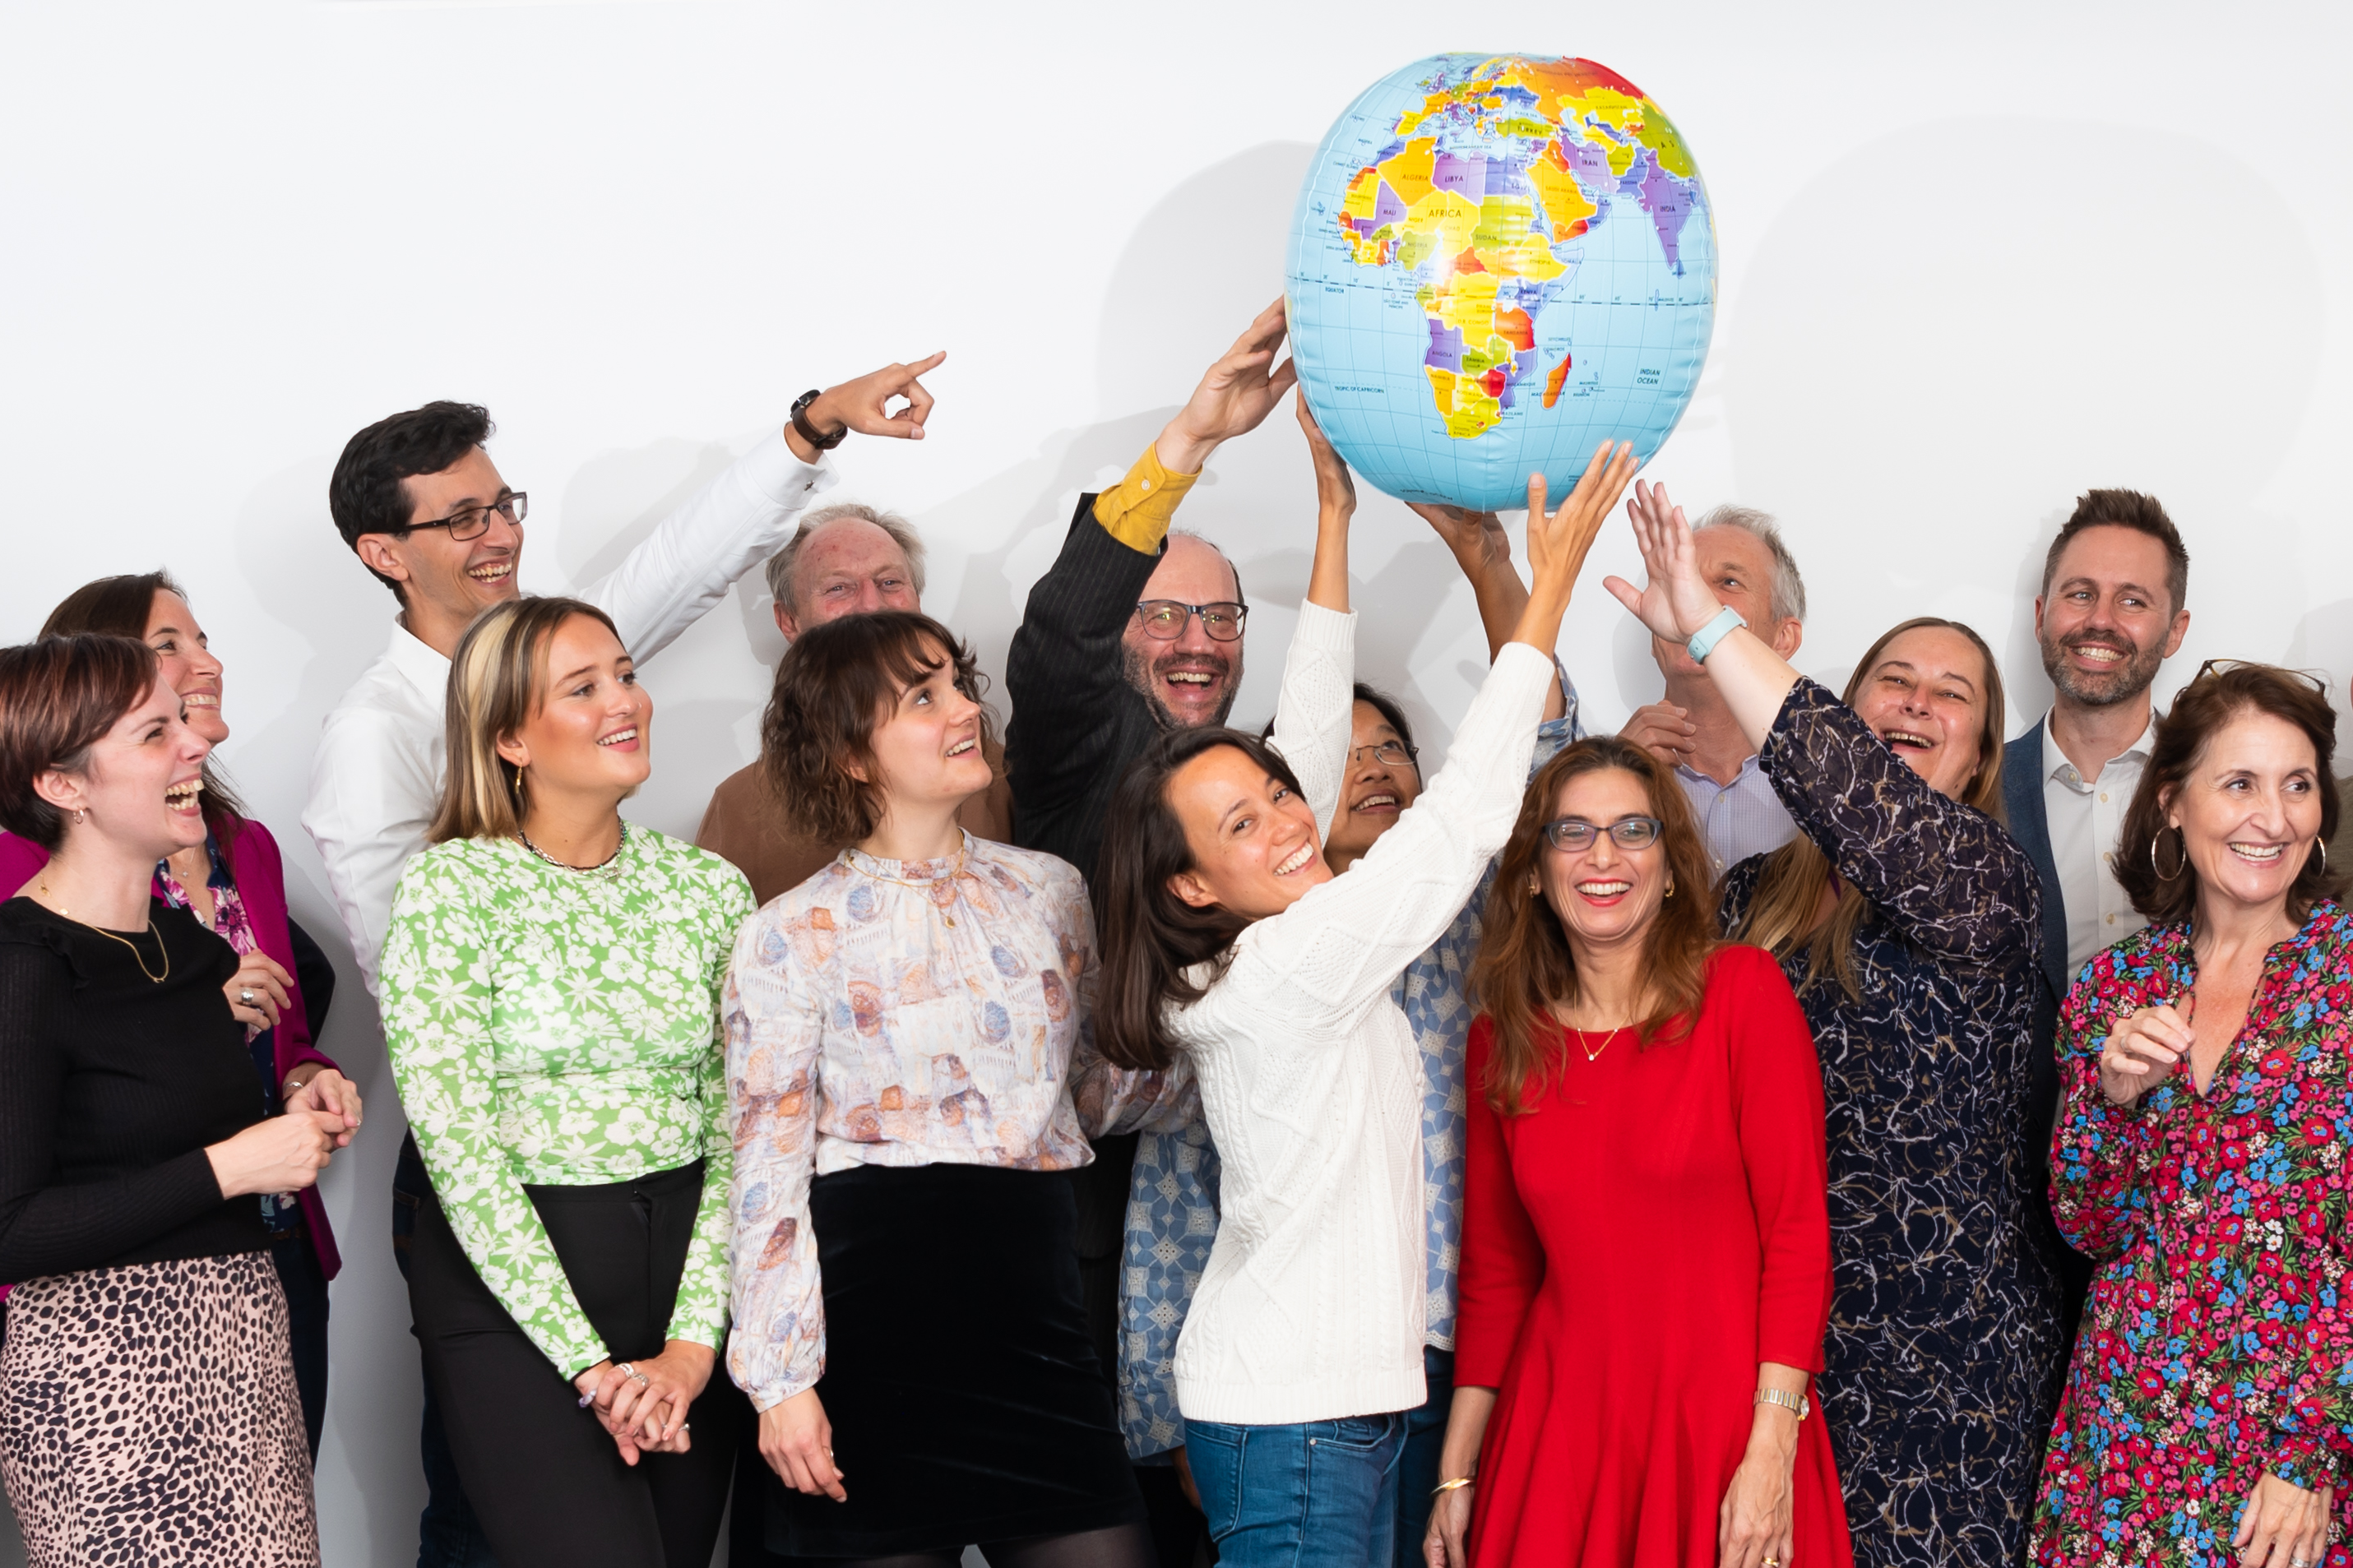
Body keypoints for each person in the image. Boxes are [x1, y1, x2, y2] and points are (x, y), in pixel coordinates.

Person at [302, 361, 939, 1566]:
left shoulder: (680, 863)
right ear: (388, 552)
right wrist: (589, 1355)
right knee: (488, 1525)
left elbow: (673, 570)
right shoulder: (378, 745)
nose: (498, 535)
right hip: (502, 1187)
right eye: (463, 517)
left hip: (670, 1234)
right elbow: (437, 1021)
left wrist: (806, 432)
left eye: (505, 505)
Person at [1090, 437, 1639, 1566]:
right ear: (1190, 883)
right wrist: (1548, 584)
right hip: (1296, 1412)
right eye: (1242, 825)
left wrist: (1332, 518)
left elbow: (1309, 751)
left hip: (1331, 1401)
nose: (1291, 821)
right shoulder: (1285, 967)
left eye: (1276, 797)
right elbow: (1462, 818)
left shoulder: (1252, 949)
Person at [1608, 490, 2064, 1566]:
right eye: (1891, 682)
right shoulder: (1743, 897)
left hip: (1948, 1374)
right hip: (1765, 1357)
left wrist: (1711, 627)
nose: (1915, 702)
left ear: (1979, 751)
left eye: (1950, 692)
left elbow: (1858, 798)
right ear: (1844, 709)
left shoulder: (1984, 883)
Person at [724, 609, 1189, 1566]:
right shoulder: (785, 932)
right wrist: (779, 1382)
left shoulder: (1050, 890)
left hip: (1034, 1311)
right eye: (922, 697)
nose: (964, 710)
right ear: (852, 754)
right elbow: (763, 1170)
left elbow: (1094, 1094)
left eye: (958, 684)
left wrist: (1223, 1005)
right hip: (869, 1333)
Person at [1003, 299, 1298, 1556]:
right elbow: (1061, 638)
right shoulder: (1082, 752)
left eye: (1218, 617)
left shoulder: (1278, 786)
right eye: (1163, 614)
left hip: (1248, 1217)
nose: (1192, 641)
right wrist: (1188, 437)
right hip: (1094, 1225)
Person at [378, 596, 754, 1568]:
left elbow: (736, 1125)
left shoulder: (709, 887)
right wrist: (589, 1365)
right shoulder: (450, 888)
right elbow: (457, 1149)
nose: (624, 701)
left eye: (624, 674)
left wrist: (690, 1346)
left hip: (682, 1271)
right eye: (582, 687)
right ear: (510, 736)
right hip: (510, 1279)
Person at [1422, 733, 1850, 1568]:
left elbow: (1796, 1237)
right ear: (1536, 872)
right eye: (1570, 832)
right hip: (1560, 1432)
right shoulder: (1498, 1039)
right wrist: (1453, 1472)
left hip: (1723, 1423)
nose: (1602, 855)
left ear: (1668, 859)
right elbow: (1497, 1272)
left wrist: (1770, 1449)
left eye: (1632, 829)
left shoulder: (1741, 992)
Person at [0, 635, 352, 1566]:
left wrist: (300, 1092)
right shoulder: (25, 967)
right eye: (155, 731)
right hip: (100, 1379)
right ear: (64, 785)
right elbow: (11, 1226)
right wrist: (235, 1164)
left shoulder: (194, 953)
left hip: (244, 1347)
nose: (196, 744)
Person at [2035, 662, 2348, 1568]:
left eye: (2296, 784)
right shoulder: (2113, 984)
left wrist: (2308, 1452)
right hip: (2122, 1435)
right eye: (2238, 782)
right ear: (2171, 801)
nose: (2273, 816)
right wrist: (2110, 1099)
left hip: (2289, 1453)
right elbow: (2088, 1225)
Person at [1998, 489, 2192, 1339]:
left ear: (2175, 629)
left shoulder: (2231, 801)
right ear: (2043, 614)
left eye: (2132, 599)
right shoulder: (1970, 794)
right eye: (2079, 593)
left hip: (2188, 1226)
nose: (2099, 620)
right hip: (2007, 1224)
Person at [695, 500, 1012, 903]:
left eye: (890, 582)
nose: (871, 605)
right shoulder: (740, 808)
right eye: (838, 588)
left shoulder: (996, 774)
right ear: (788, 620)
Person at [1615, 496, 1808, 874]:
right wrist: (1612, 781)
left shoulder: (1830, 786)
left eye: (1728, 582)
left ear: (1783, 639)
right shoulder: (1613, 770)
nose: (1693, 600)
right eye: (1679, 580)